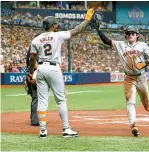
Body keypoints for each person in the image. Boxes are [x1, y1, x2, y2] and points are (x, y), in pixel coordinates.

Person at [29, 8, 96, 138]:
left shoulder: (36, 39)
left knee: (42, 101)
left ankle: (42, 130)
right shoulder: (58, 35)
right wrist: (87, 19)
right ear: (53, 26)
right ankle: (66, 129)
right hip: (54, 68)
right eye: (56, 24)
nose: (57, 25)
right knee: (61, 100)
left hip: (41, 68)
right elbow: (77, 30)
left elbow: (32, 58)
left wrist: (32, 72)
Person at [91, 20, 149, 137]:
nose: (130, 35)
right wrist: (98, 30)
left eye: (133, 33)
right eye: (128, 33)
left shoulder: (142, 45)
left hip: (141, 77)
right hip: (129, 78)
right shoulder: (121, 44)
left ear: (137, 35)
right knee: (130, 102)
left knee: (146, 102)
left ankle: (145, 104)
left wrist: (144, 63)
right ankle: (133, 126)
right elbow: (106, 41)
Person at [26, 37, 39, 126]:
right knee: (36, 97)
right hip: (34, 75)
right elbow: (35, 64)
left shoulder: (30, 49)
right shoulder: (34, 50)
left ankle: (33, 117)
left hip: (30, 74)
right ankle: (35, 120)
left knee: (34, 97)